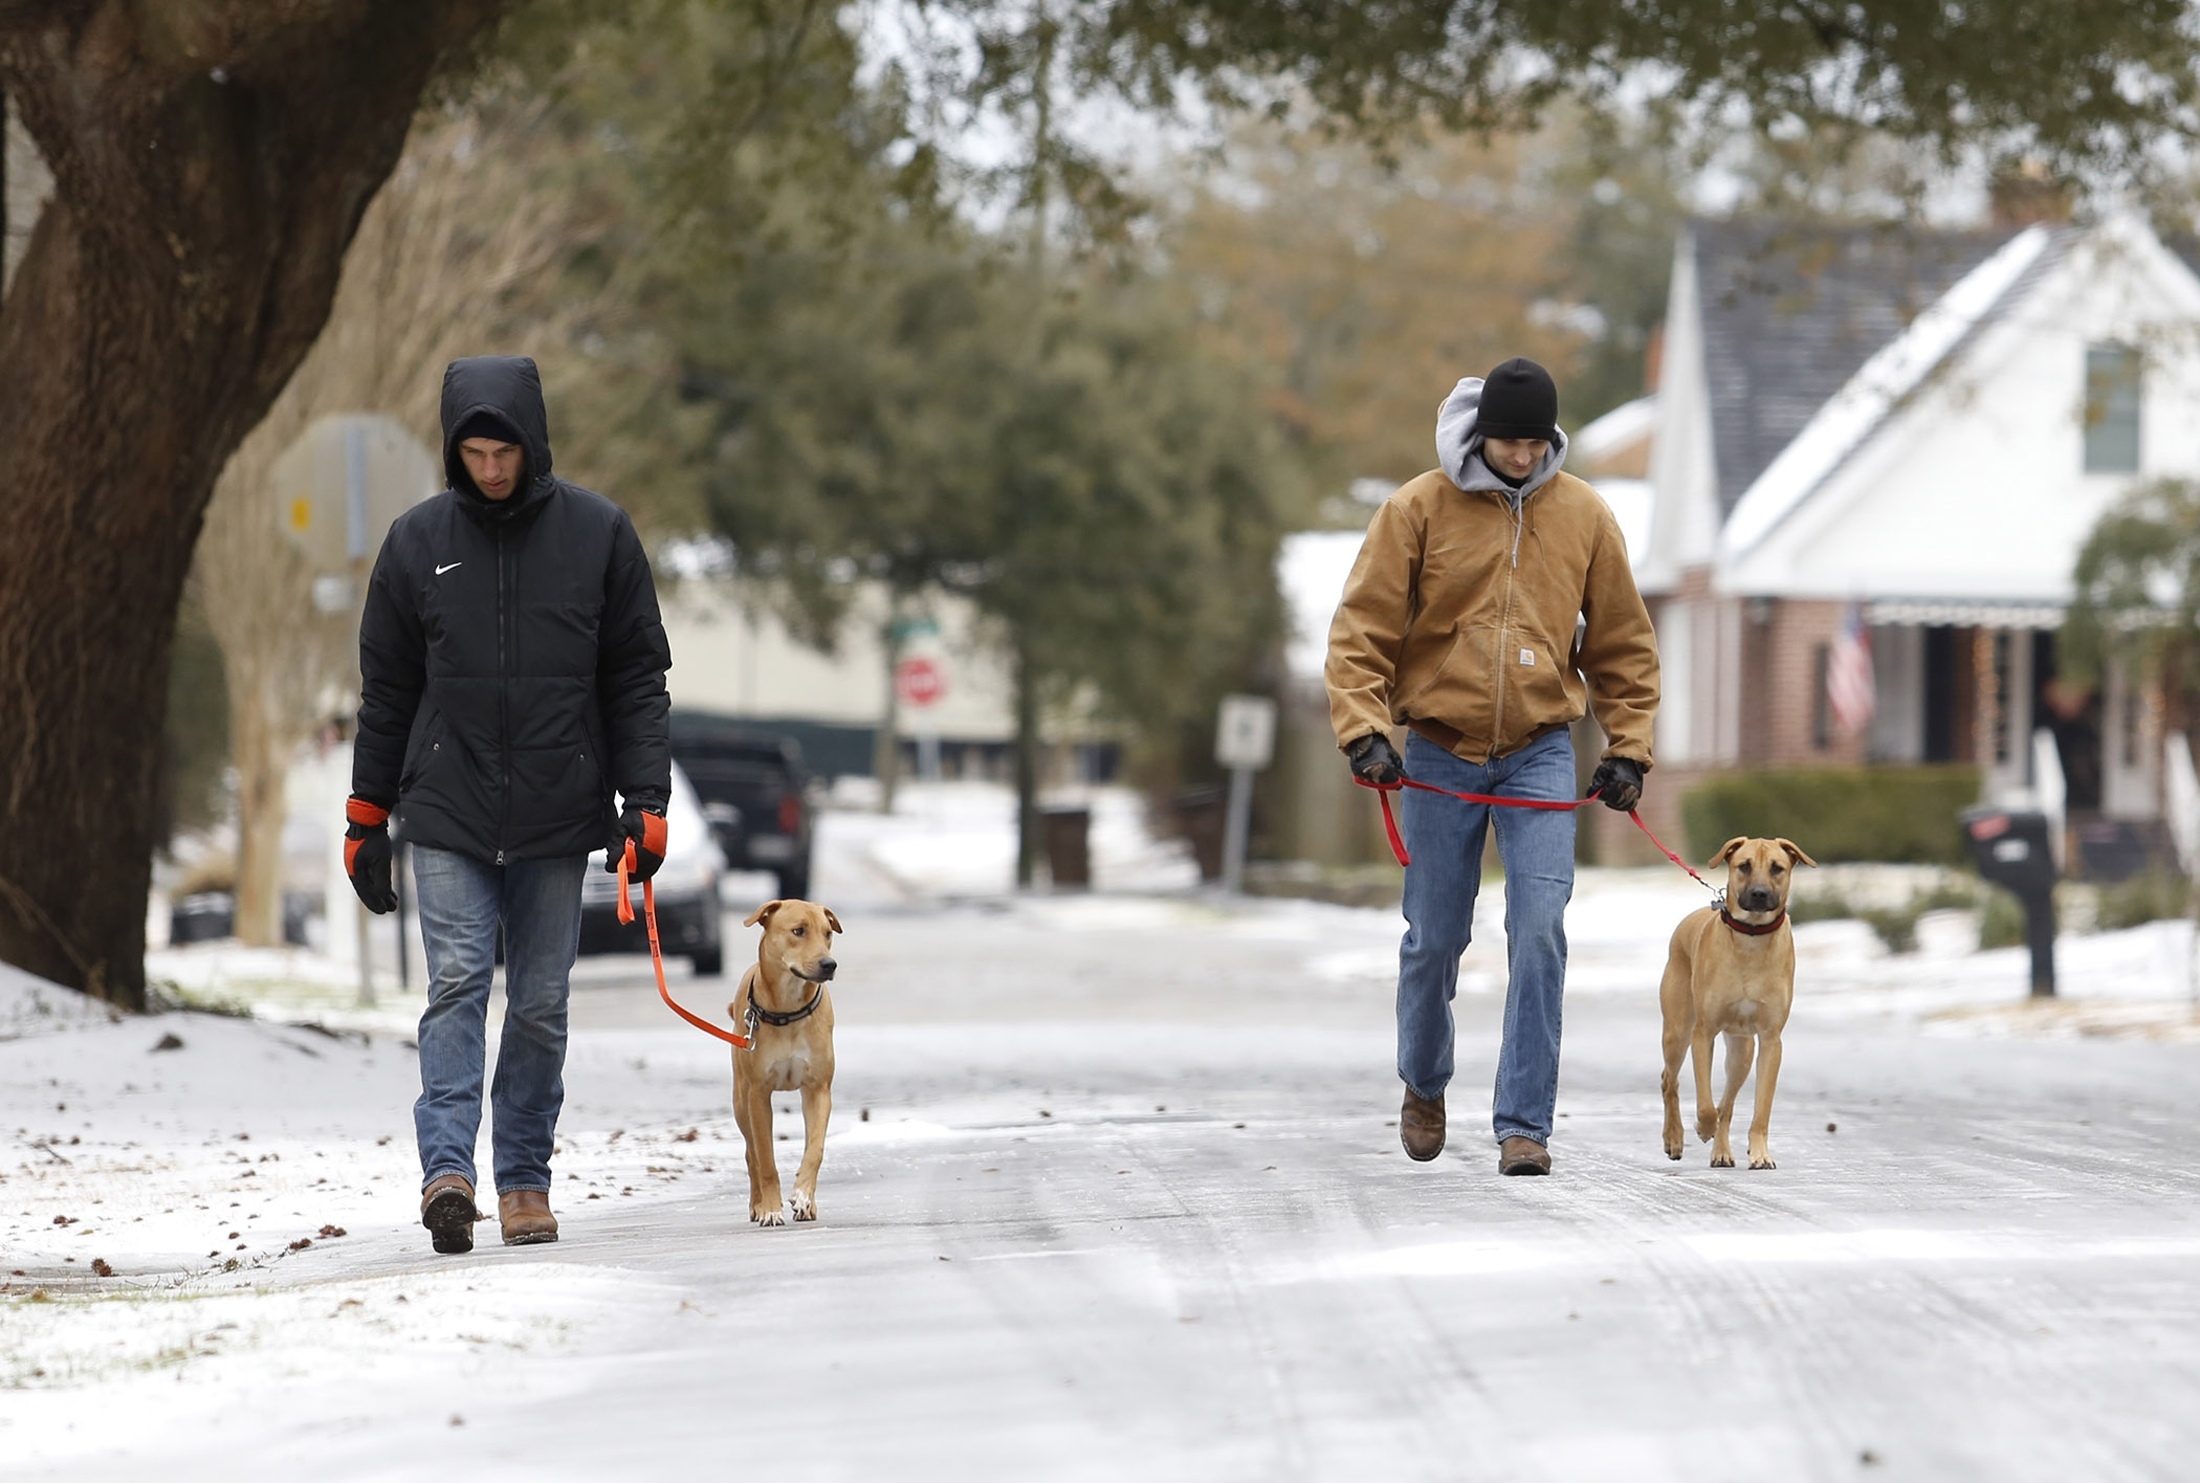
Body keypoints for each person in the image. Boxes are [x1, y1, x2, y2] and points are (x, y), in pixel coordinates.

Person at [343, 355, 673, 1252]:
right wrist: (367, 815)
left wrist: (645, 801)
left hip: (558, 813)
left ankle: (524, 1176)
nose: (492, 469)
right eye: (475, 453)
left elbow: (637, 678)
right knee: (454, 983)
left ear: (534, 444)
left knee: (538, 1002)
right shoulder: (416, 544)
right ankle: (447, 1170)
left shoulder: (599, 535)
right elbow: (388, 691)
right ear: (455, 452)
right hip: (447, 807)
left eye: (506, 451)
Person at [1326, 357, 1658, 1175]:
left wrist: (1627, 748)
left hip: (1542, 750)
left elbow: (1621, 642)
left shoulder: (1584, 515)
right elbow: (1361, 628)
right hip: (1441, 744)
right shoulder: (1418, 508)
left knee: (1540, 929)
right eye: (1508, 441)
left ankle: (1524, 1125)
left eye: (1535, 442)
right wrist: (1364, 728)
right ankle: (1424, 1080)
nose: (1521, 456)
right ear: (1482, 435)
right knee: (1435, 936)